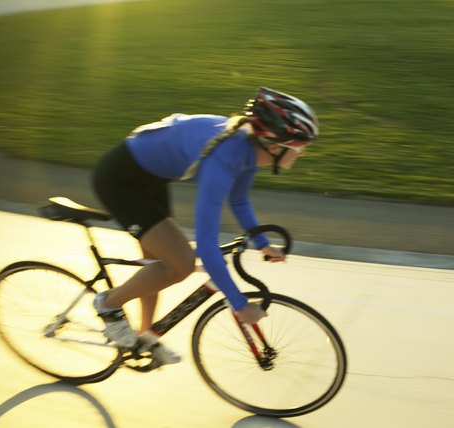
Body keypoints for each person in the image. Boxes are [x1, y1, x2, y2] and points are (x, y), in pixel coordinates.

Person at [91, 87, 319, 364]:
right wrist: (240, 305)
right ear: (274, 145)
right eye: (300, 147)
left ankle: (145, 335)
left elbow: (238, 200)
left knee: (157, 263)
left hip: (150, 179)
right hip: (120, 181)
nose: (303, 153)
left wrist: (262, 244)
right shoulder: (225, 157)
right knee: (181, 263)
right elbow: (207, 243)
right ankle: (108, 304)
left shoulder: (248, 148)